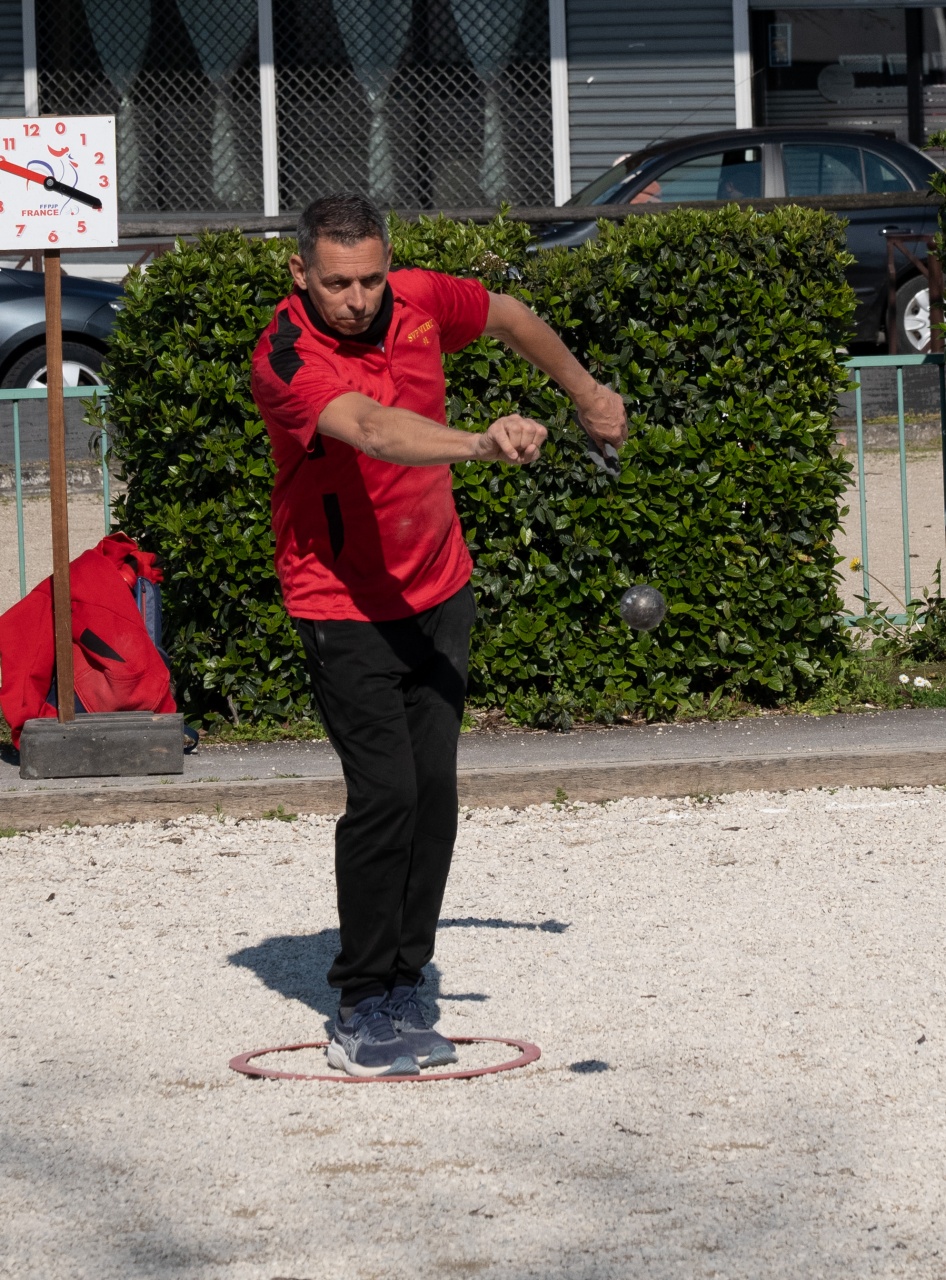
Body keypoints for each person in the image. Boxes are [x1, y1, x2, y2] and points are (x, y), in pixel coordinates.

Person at [251, 194, 626, 1077]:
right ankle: (358, 1003)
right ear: (300, 274)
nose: (358, 298)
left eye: (371, 279)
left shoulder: (414, 298)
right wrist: (482, 445)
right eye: (338, 282)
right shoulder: (287, 356)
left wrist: (588, 392)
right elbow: (376, 430)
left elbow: (506, 314)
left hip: (437, 586)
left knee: (433, 793)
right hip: (340, 605)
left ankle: (407, 978)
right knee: (384, 795)